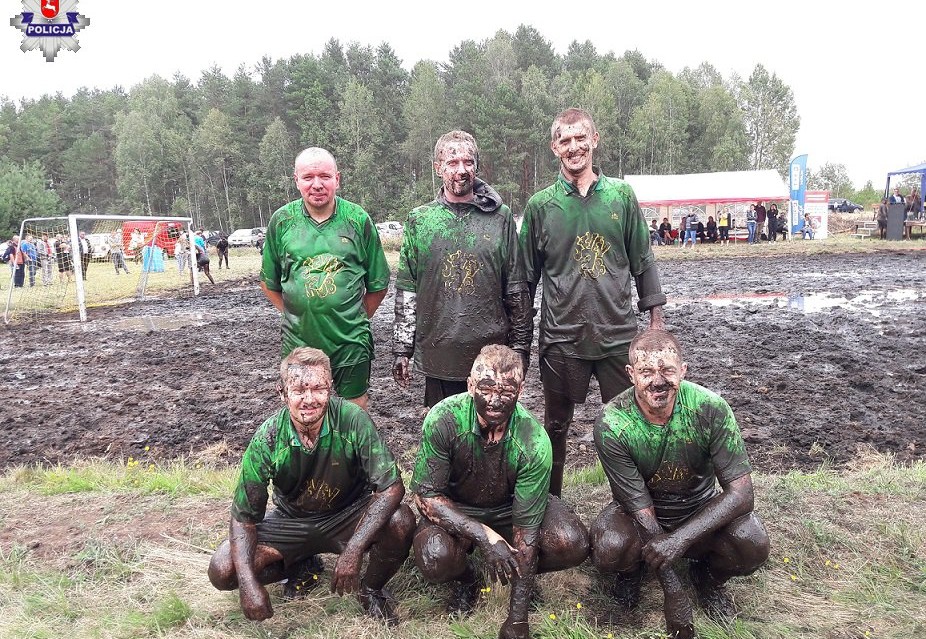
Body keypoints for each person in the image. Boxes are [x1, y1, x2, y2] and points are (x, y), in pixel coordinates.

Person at [207, 347, 415, 625]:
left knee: (401, 521)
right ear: (282, 393)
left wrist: (354, 550)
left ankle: (371, 589)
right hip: (292, 520)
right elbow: (244, 518)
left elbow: (391, 488)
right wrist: (248, 584)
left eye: (318, 389)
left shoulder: (353, 420)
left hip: (348, 513)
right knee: (223, 570)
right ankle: (300, 565)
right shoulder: (268, 438)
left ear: (331, 389)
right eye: (299, 390)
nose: (309, 399)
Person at [520, 108, 667, 497]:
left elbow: (642, 259)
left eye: (580, 138)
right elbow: (525, 278)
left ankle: (639, 503)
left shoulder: (620, 196)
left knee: (630, 419)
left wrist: (655, 323)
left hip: (617, 335)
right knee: (555, 425)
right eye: (565, 140)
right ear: (555, 148)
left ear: (594, 140)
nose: (574, 147)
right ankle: (550, 503)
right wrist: (519, 338)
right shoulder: (540, 207)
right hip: (561, 338)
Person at [591, 330, 770, 639]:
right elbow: (639, 506)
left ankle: (707, 579)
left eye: (667, 371)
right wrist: (673, 591)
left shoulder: (710, 408)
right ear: (631, 374)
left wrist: (679, 540)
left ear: (683, 371)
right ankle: (631, 574)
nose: (658, 381)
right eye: (646, 372)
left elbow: (741, 495)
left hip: (698, 507)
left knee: (752, 544)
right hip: (640, 514)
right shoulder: (611, 421)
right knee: (609, 548)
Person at [411, 345, 589, 639]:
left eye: (506, 390)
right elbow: (426, 497)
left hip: (511, 509)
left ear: (520, 390)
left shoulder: (533, 440)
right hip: (458, 507)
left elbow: (527, 531)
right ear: (470, 386)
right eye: (486, 387)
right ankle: (467, 579)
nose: (495, 399)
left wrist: (517, 620)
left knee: (572, 543)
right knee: (435, 557)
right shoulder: (443, 419)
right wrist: (483, 535)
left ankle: (523, 577)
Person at [393, 130, 531, 407]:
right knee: (444, 433)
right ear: (438, 168)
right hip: (439, 352)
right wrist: (402, 348)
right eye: (452, 163)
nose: (461, 170)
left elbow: (517, 287)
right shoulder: (421, 220)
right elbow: (408, 290)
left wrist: (520, 348)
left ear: (476, 166)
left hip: (490, 353)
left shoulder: (499, 218)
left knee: (491, 434)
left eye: (468, 162)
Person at [261, 147, 390, 411]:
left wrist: (354, 319)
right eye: (308, 177)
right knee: (302, 409)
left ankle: (353, 453)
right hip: (298, 343)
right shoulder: (282, 221)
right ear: (296, 180)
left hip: (351, 343)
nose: (317, 184)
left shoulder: (358, 219)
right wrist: (295, 316)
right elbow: (268, 282)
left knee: (354, 412)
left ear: (337, 179)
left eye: (325, 176)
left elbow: (378, 283)